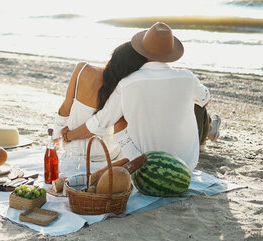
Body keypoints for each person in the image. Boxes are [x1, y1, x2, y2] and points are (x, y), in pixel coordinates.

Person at [61, 22, 220, 171]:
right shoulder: (187, 78)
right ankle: (208, 132)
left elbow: (100, 123)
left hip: (146, 166)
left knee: (120, 122)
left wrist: (70, 135)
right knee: (194, 103)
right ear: (171, 53)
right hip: (186, 166)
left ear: (143, 50)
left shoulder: (127, 84)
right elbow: (205, 98)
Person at [52, 41, 148, 168]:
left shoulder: (82, 69)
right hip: (108, 154)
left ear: (113, 57)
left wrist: (56, 135)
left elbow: (66, 108)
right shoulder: (124, 87)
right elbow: (120, 127)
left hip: (76, 154)